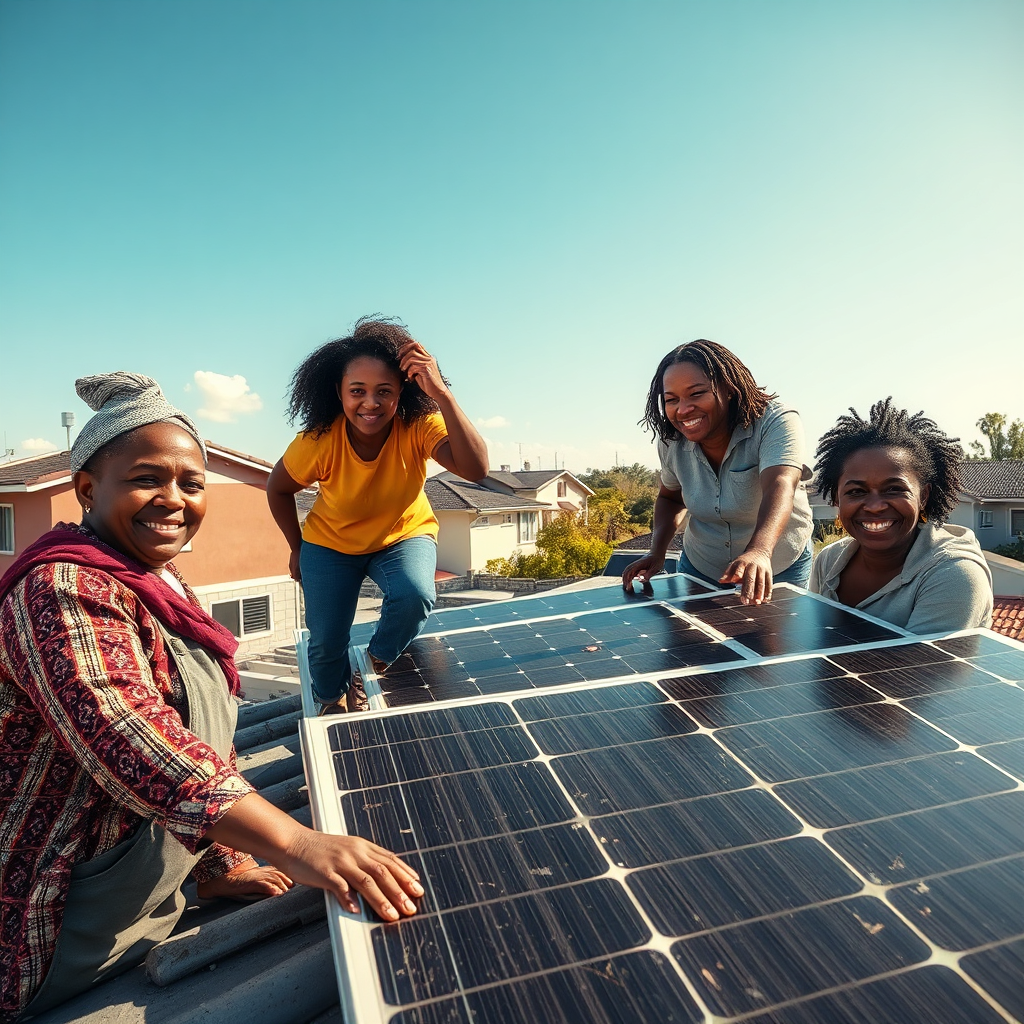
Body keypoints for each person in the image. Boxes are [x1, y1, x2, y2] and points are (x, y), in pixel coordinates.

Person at [0, 373, 423, 1022]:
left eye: (191, 482)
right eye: (147, 478)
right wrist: (300, 843)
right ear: (88, 488)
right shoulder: (58, 589)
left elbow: (205, 732)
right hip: (46, 920)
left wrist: (220, 864)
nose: (173, 498)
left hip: (137, 897)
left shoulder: (162, 585)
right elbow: (135, 740)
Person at [267, 318, 488, 714]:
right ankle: (330, 702)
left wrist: (442, 395)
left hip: (402, 535)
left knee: (414, 594)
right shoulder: (317, 440)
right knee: (326, 640)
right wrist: (296, 547)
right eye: (358, 391)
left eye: (384, 391)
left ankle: (371, 663)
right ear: (339, 392)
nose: (370, 403)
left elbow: (475, 469)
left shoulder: (419, 424)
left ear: (402, 392)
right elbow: (278, 488)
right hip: (330, 544)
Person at [622, 339, 814, 604]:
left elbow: (780, 484)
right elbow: (670, 498)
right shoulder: (671, 441)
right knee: (695, 643)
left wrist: (759, 551)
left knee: (771, 644)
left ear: (729, 389)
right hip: (702, 565)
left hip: (776, 564)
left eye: (696, 393)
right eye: (671, 399)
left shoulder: (776, 421)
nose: (683, 409)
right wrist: (657, 552)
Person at [809, 398, 993, 633]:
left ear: (923, 496)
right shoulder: (829, 560)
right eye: (856, 491)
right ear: (836, 499)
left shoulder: (954, 574)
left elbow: (921, 668)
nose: (875, 506)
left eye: (894, 489)